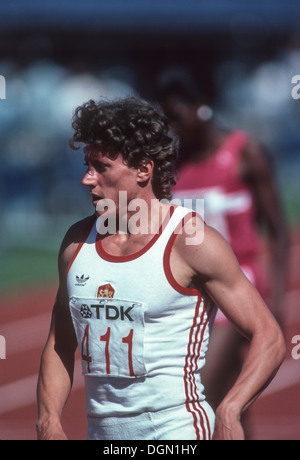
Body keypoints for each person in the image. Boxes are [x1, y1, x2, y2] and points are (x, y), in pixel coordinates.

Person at [36, 96, 285, 441]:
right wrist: (48, 422)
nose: (87, 180)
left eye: (101, 167)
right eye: (86, 166)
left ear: (143, 169)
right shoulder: (76, 243)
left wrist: (230, 408)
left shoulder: (191, 241)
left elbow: (268, 336)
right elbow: (59, 342)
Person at [156, 70, 289, 422]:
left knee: (200, 394)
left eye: (177, 115)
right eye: (166, 117)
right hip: (191, 289)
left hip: (238, 282)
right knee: (232, 397)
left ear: (201, 107)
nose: (173, 126)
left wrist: (275, 298)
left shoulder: (245, 153)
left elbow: (278, 229)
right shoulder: (170, 163)